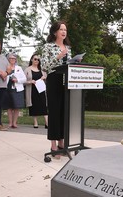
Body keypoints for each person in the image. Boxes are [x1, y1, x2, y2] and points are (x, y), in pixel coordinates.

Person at [40, 20, 72, 159]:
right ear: (55, 32)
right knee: (54, 112)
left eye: (65, 29)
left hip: (66, 81)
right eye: (61, 29)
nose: (64, 32)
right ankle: (53, 145)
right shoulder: (48, 47)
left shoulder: (68, 47)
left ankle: (62, 144)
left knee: (64, 113)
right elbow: (45, 67)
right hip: (53, 80)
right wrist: (58, 56)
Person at [24, 53, 48, 129]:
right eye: (35, 59)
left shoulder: (42, 70)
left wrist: (45, 78)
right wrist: (30, 81)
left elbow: (48, 80)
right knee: (33, 106)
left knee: (44, 105)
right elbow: (23, 81)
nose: (36, 61)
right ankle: (35, 122)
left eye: (38, 59)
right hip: (32, 91)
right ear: (31, 60)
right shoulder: (27, 70)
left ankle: (47, 123)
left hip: (41, 90)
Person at [3, 53, 26, 128]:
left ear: (15, 60)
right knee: (9, 107)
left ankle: (14, 123)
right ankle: (10, 123)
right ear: (8, 59)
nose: (12, 60)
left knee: (17, 106)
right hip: (8, 88)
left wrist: (17, 80)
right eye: (10, 58)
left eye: (14, 58)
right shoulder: (5, 67)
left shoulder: (19, 68)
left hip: (17, 89)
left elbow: (24, 79)